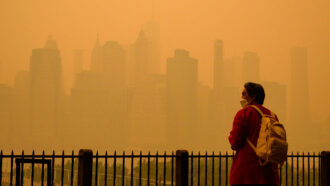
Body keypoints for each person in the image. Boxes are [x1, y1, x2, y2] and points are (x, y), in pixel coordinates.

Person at [228, 82, 280, 186]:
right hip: (269, 170)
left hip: (246, 170)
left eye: (244, 94)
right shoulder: (273, 116)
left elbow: (235, 141)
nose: (241, 97)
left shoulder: (244, 113)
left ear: (253, 96)